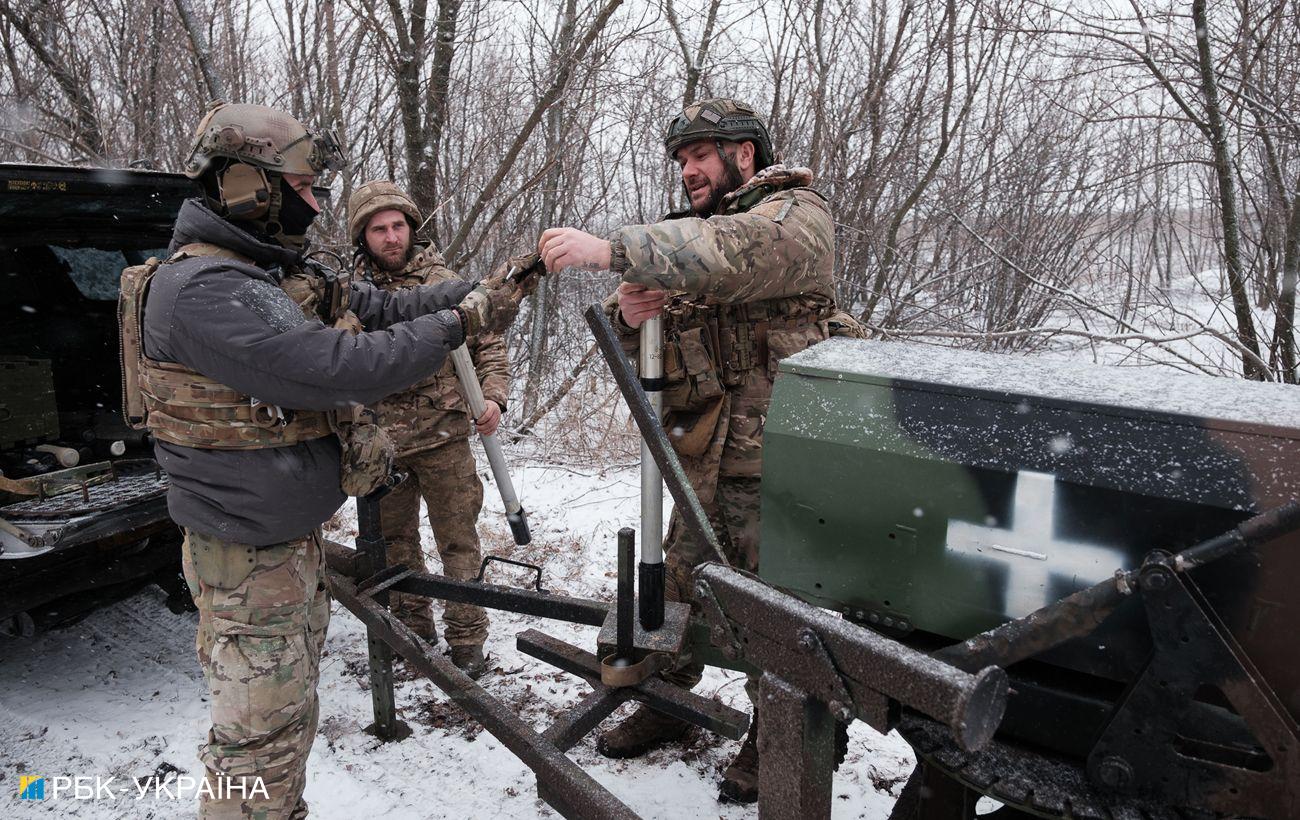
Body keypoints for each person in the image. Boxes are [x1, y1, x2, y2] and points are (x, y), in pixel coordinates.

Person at [119, 102, 520, 818]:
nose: (317, 203)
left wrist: (481, 289)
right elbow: (344, 364)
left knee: (286, 726)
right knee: (257, 747)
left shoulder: (261, 273)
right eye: (306, 187)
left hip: (278, 546)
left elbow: (371, 302)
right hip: (245, 560)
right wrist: (462, 319)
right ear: (249, 187)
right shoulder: (208, 290)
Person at [538, 97, 861, 803]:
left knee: (773, 618)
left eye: (699, 156)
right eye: (681, 161)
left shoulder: (796, 216)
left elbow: (735, 254)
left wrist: (610, 248)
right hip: (701, 462)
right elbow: (656, 354)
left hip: (779, 469)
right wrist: (632, 318)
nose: (687, 171)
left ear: (744, 153)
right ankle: (666, 702)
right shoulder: (693, 239)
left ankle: (784, 738)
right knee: (677, 593)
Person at [346, 180, 507, 679]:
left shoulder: (445, 282)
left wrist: (495, 396)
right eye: (379, 229)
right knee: (395, 546)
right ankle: (413, 632)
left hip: (444, 437)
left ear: (412, 229)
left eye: (398, 226)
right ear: (363, 236)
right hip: (380, 446)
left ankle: (467, 639)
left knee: (458, 541)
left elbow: (489, 344)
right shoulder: (347, 294)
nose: (391, 237)